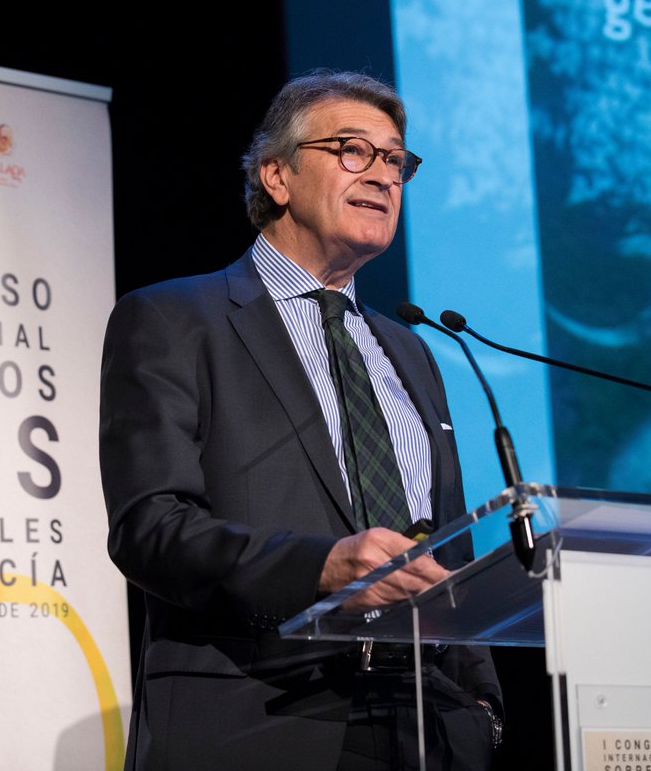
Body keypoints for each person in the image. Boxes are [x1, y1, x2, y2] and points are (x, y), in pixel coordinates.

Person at [99, 69, 502, 770]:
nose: (383, 175)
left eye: (396, 160)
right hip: (259, 723)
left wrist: (481, 706)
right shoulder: (173, 320)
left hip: (424, 729)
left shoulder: (410, 349)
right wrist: (320, 567)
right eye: (352, 150)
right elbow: (151, 527)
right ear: (276, 175)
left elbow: (449, 549)